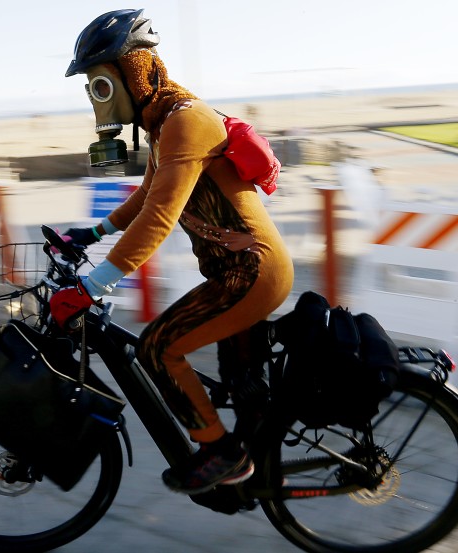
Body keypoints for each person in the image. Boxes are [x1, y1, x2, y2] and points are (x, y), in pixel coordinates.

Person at [61, 9, 293, 495]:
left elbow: (159, 217)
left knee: (158, 348)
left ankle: (221, 453)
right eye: (91, 88)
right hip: (232, 273)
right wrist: (92, 232)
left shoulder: (187, 121)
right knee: (240, 386)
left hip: (251, 273)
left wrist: (94, 285)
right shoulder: (164, 122)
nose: (96, 98)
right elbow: (147, 195)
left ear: (134, 72)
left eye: (100, 85)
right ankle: (253, 469)